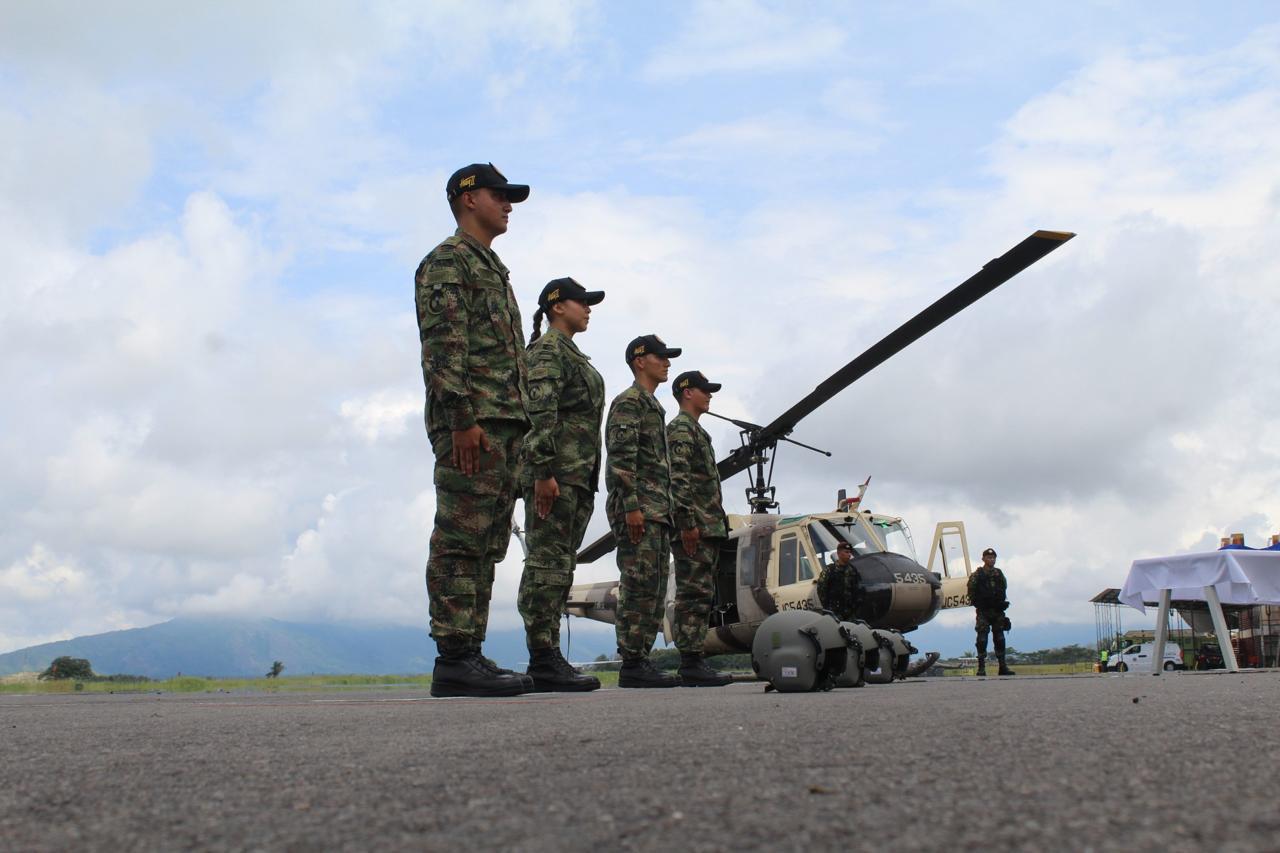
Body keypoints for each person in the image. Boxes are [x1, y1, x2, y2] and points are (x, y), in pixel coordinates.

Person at [415, 162, 533, 698]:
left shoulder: (492, 266)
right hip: (473, 424)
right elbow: (444, 347)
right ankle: (454, 657)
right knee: (461, 538)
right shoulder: (447, 262)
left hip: (501, 424)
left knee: (486, 543)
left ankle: (471, 652)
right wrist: (461, 419)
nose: (507, 204)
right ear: (467, 200)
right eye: (499, 195)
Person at [516, 278, 606, 692]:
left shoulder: (572, 354)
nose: (588, 308)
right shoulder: (548, 352)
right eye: (581, 302)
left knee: (560, 566)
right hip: (555, 477)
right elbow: (539, 414)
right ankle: (542, 655)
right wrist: (543, 472)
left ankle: (548, 654)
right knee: (545, 566)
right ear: (556, 307)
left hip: (575, 478)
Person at [606, 334, 683, 688]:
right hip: (639, 510)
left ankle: (641, 659)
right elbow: (622, 460)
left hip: (656, 511)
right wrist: (632, 507)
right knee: (637, 585)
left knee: (652, 587)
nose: (667, 363)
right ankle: (632, 663)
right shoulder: (629, 403)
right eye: (661, 357)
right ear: (640, 361)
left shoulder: (653, 406)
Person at [667, 371, 733, 687]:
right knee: (693, 593)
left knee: (702, 593)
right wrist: (687, 524)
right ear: (687, 392)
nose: (710, 396)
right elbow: (677, 480)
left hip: (707, 526)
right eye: (705, 391)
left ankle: (695, 658)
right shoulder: (681, 430)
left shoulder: (696, 431)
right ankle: (690, 662)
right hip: (695, 528)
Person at [967, 547, 1014, 676]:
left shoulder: (999, 574)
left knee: (1000, 638)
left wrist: (1001, 603)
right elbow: (971, 592)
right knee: (982, 639)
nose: (991, 560)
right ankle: (981, 667)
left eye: (993, 558)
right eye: (989, 558)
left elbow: (1004, 588)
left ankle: (1002, 667)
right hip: (984, 611)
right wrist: (980, 604)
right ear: (983, 559)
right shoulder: (977, 575)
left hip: (997, 610)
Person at [816, 541, 861, 622]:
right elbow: (821, 590)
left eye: (850, 552)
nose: (849, 555)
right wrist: (828, 607)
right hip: (834, 613)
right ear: (839, 553)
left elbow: (857, 590)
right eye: (846, 552)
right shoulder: (830, 570)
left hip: (850, 614)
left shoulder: (853, 571)